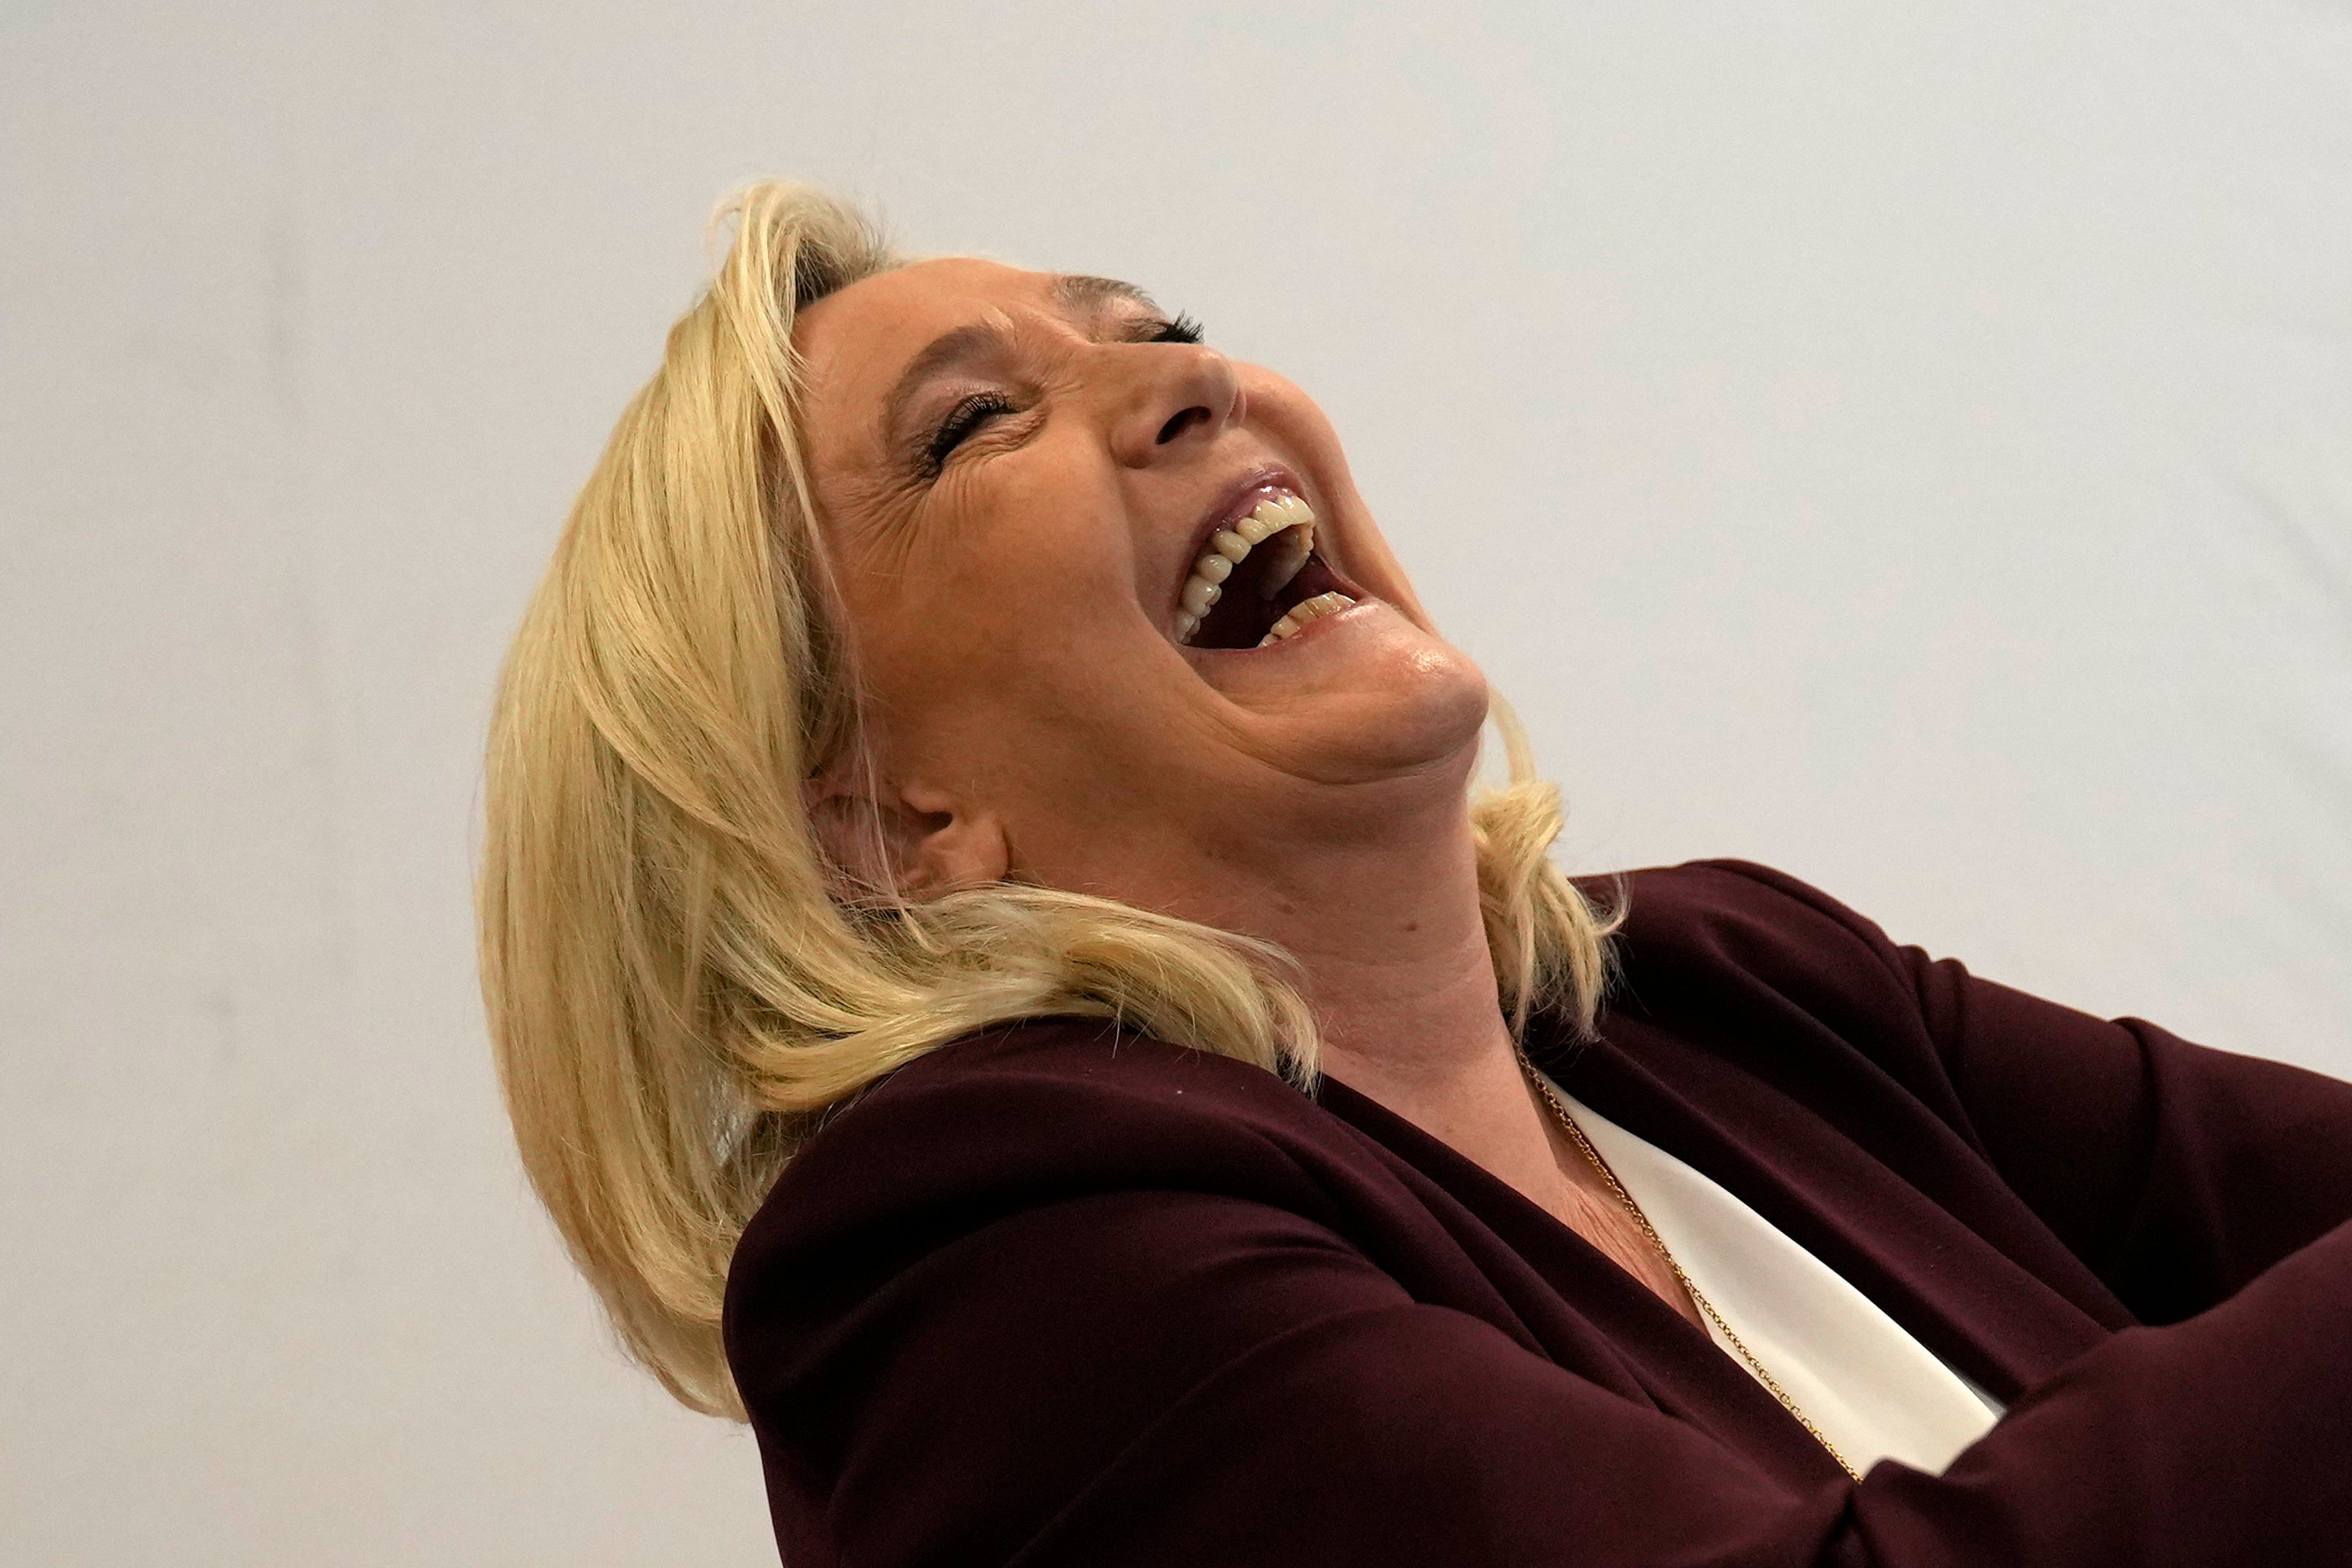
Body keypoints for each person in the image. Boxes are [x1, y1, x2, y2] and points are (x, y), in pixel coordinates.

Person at [476, 183, 2352, 1567]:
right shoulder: (985, 1267)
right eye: (975, 424)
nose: (1191, 380)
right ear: (889, 820)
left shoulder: (1729, 989)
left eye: (1150, 321)